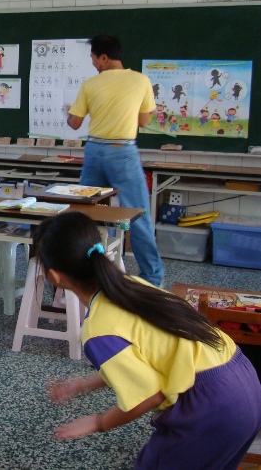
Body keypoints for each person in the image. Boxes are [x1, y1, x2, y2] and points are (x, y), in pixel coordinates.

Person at [37, 212, 261, 469]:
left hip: (211, 406)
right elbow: (142, 361)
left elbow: (149, 394)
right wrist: (83, 385)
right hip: (244, 381)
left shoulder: (97, 330)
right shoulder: (129, 285)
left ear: (54, 277)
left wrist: (99, 421)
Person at [66, 35, 164, 288]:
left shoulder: (90, 84)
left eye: (93, 58)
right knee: (137, 214)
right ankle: (152, 278)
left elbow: (74, 123)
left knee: (86, 213)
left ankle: (82, 270)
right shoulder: (141, 80)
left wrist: (69, 112)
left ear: (104, 58)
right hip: (123, 151)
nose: (93, 63)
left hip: (94, 152)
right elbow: (143, 121)